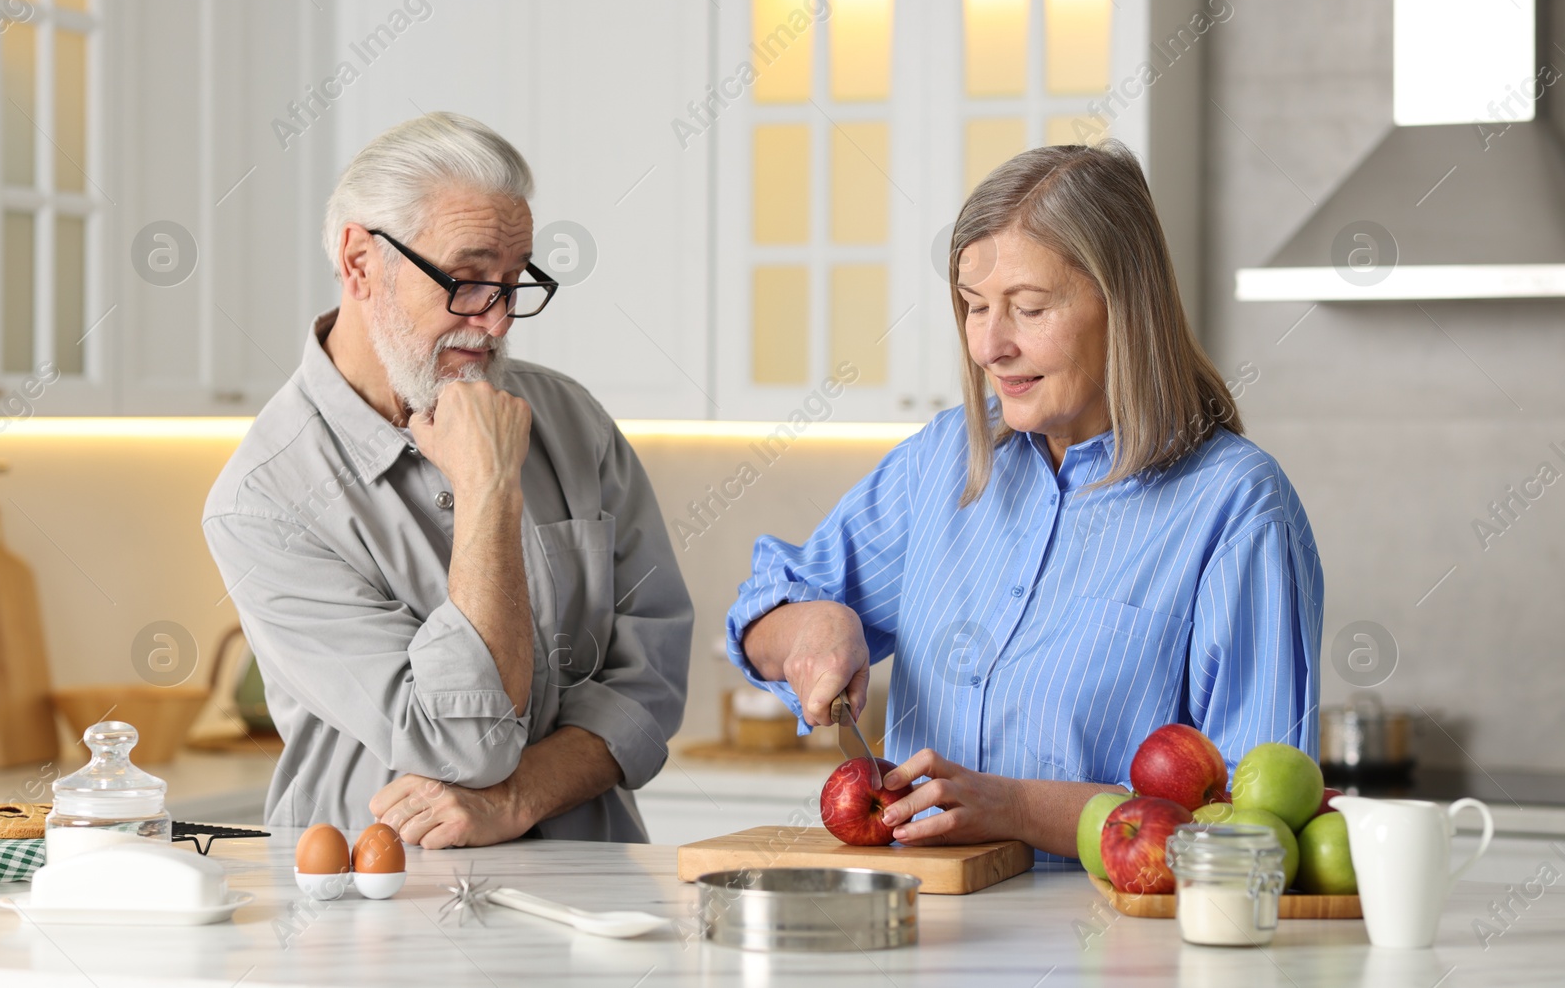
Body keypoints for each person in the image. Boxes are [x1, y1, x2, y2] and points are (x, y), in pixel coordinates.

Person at [726, 142, 1322, 859]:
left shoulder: (1236, 508)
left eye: (1028, 308)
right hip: (926, 939)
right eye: (974, 308)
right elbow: (760, 614)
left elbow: (1253, 831)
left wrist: (1013, 806)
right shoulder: (945, 459)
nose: (989, 344)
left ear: (1126, 306)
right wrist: (811, 626)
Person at [204, 112, 692, 846]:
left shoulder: (569, 418)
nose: (495, 322)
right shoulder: (263, 502)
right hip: (378, 908)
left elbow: (653, 673)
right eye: (466, 280)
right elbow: (462, 746)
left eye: (513, 282)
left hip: (592, 899)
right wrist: (490, 488)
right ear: (360, 262)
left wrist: (522, 794)